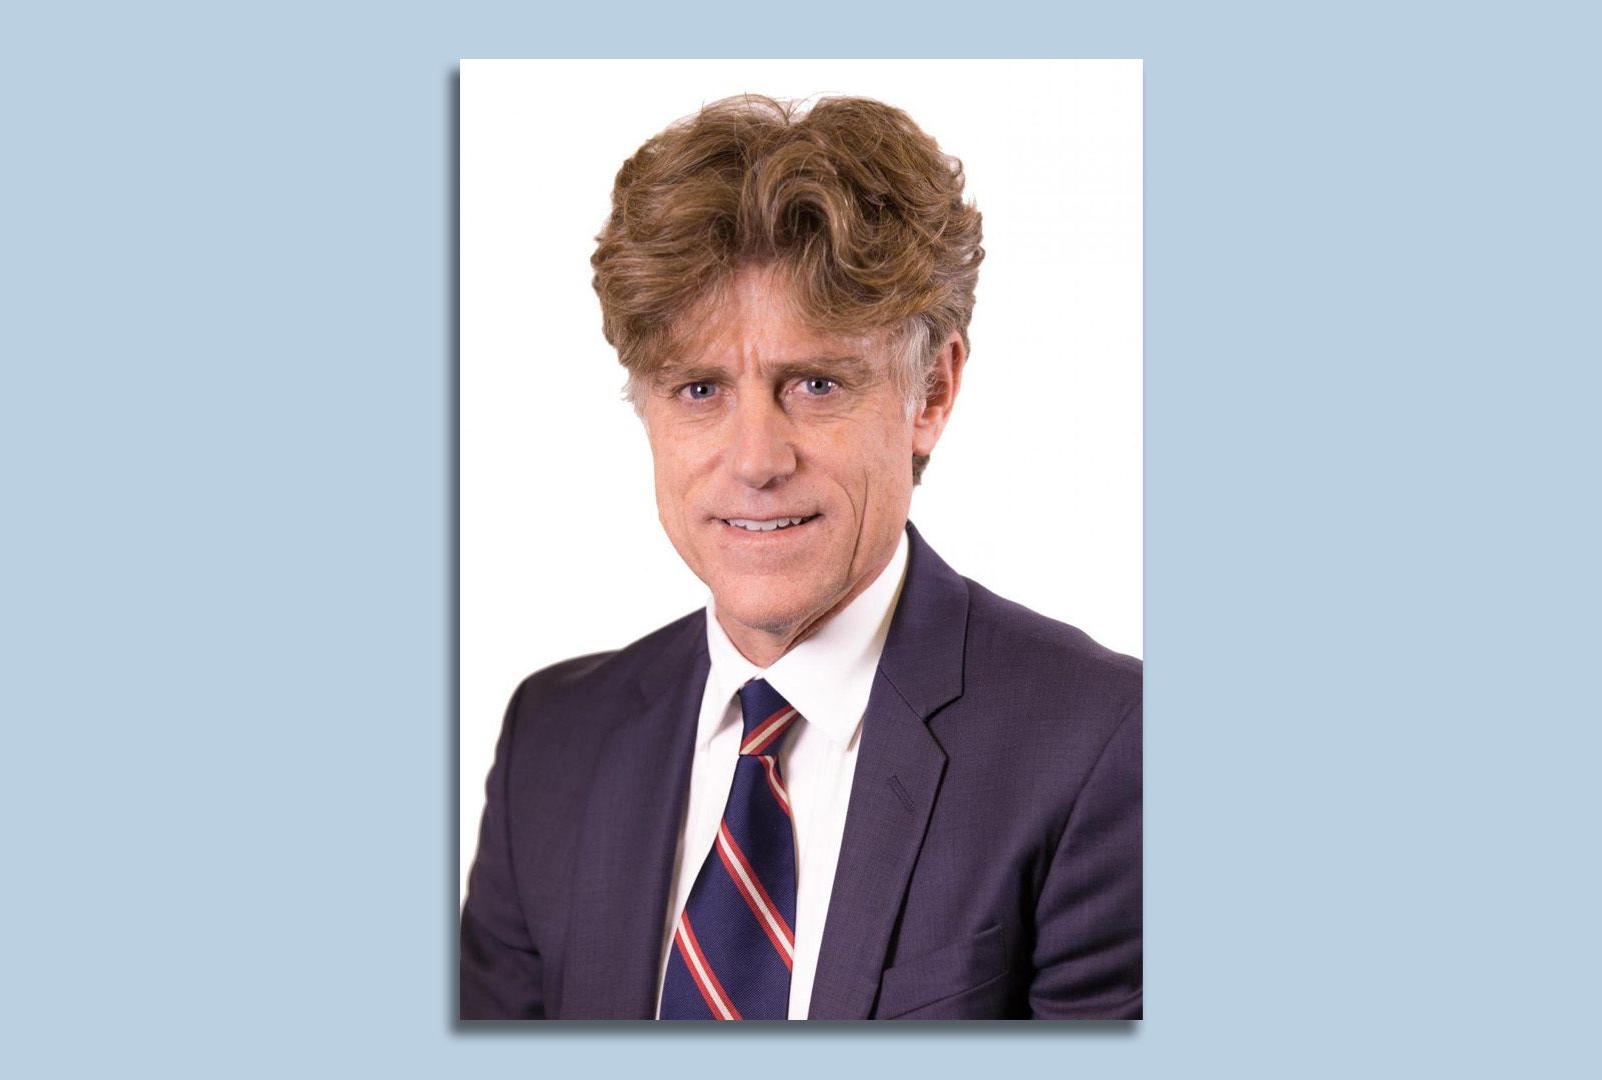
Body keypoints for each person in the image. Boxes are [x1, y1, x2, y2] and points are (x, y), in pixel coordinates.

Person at [459, 94, 1141, 1020]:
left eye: (814, 384)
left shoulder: (1102, 746)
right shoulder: (554, 742)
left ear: (931, 392)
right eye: (699, 388)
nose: (755, 460)